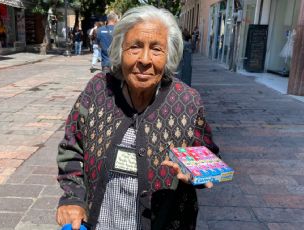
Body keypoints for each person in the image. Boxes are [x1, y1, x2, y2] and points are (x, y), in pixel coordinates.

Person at [56, 5, 219, 230]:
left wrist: (197, 172)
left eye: (156, 49)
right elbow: (72, 148)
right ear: (120, 50)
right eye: (135, 47)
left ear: (169, 55)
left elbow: (207, 154)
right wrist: (73, 198)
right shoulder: (98, 90)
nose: (144, 59)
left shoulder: (188, 102)